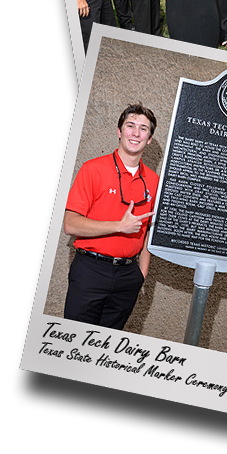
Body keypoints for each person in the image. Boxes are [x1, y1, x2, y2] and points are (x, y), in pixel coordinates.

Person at [63, 104, 159, 329]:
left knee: (107, 344)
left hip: (128, 275)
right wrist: (119, 226)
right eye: (130, 126)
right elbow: (70, 224)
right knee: (74, 341)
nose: (136, 133)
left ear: (150, 139)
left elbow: (149, 232)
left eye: (143, 129)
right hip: (90, 271)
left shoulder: (154, 181)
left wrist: (140, 274)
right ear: (119, 131)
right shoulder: (93, 169)